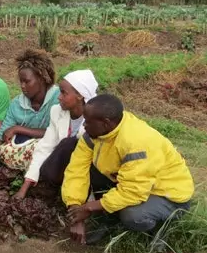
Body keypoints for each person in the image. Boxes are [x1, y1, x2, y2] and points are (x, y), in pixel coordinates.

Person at [63, 94, 195, 245]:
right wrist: (75, 210)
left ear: (106, 123)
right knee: (90, 171)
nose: (84, 125)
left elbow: (134, 190)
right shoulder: (94, 135)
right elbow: (76, 170)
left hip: (168, 194)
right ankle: (110, 217)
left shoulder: (136, 142)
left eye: (88, 122)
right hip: (134, 182)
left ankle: (161, 225)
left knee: (132, 216)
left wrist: (90, 207)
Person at [14, 69, 99, 200]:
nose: (59, 97)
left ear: (80, 96)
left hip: (89, 170)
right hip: (65, 168)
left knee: (69, 143)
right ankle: (59, 189)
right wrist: (24, 187)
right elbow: (45, 146)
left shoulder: (96, 119)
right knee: (46, 169)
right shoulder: (57, 111)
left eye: (64, 93)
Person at [0, 50, 59, 184]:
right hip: (27, 151)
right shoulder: (17, 104)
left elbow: (55, 133)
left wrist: (18, 129)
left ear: (42, 78)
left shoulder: (58, 98)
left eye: (27, 81)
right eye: (21, 81)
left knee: (43, 147)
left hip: (52, 151)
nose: (22, 86)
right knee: (5, 149)